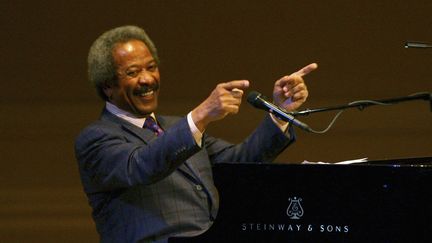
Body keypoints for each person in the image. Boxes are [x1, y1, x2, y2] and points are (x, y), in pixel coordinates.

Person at [75, 25, 317, 243]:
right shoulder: (96, 139)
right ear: (107, 86)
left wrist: (280, 112)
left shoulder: (176, 127)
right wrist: (201, 115)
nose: (147, 79)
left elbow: (239, 164)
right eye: (132, 73)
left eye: (151, 67)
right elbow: (142, 164)